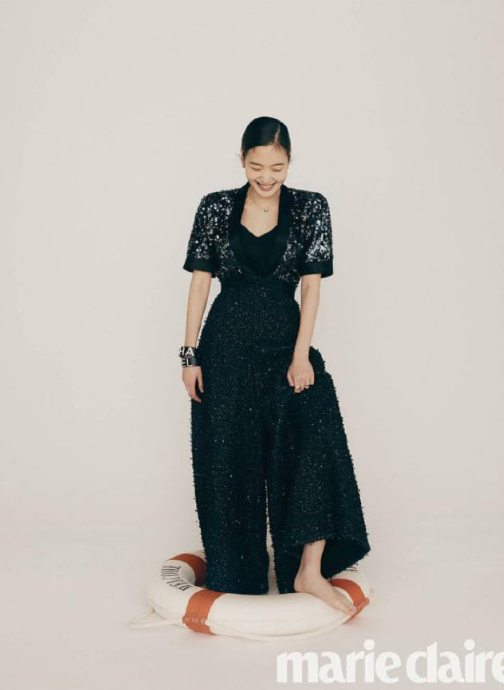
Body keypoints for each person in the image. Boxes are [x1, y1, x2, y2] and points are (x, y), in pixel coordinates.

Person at [180, 116, 371, 615]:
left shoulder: (311, 207)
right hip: (224, 346)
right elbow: (200, 281)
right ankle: (235, 575)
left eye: (277, 167)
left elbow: (311, 287)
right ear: (241, 160)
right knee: (229, 461)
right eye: (256, 166)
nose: (266, 176)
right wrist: (189, 354)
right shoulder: (215, 206)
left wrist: (302, 354)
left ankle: (308, 569)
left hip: (286, 343)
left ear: (290, 163)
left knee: (316, 433)